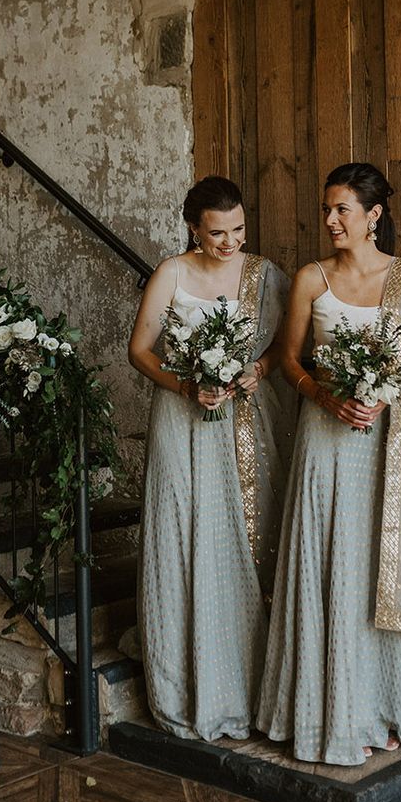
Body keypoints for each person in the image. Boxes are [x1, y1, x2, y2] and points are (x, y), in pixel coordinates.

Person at [255, 162, 401, 765]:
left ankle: (388, 704)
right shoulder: (311, 279)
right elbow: (289, 361)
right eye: (326, 209)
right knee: (332, 571)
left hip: (386, 450)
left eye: (341, 209)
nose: (330, 220)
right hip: (325, 442)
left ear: (374, 216)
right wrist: (325, 393)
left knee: (377, 570)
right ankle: (333, 712)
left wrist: (381, 394)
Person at [128, 176, 295, 741]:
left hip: (246, 423)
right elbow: (139, 350)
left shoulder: (264, 274)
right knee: (184, 539)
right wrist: (184, 386)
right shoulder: (171, 273)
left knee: (248, 539)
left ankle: (254, 686)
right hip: (182, 421)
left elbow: (284, 346)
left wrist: (258, 370)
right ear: (194, 228)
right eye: (218, 232)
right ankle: (190, 686)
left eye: (239, 229)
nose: (231, 242)